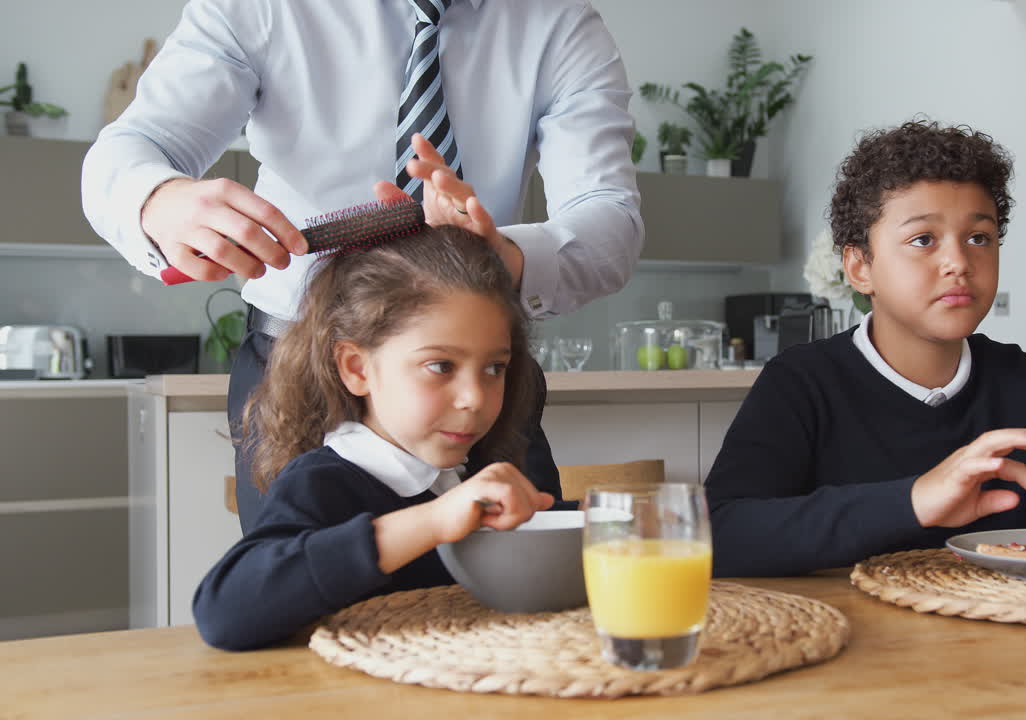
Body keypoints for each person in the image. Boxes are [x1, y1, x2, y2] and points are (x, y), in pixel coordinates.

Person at [80, 0, 644, 531]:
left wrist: (502, 255)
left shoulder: (561, 22)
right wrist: (157, 199)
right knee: (303, 607)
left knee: (521, 603)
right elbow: (135, 144)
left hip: (468, 373)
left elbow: (610, 219)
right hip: (298, 369)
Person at [704, 120, 1026, 578]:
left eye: (979, 238)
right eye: (923, 240)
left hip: (999, 655)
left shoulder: (1025, 384)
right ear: (860, 266)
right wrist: (914, 500)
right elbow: (721, 534)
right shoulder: (801, 382)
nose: (959, 262)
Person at [193, 224, 562, 650]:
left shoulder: (479, 468)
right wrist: (434, 521)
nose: (474, 398)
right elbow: (224, 613)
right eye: (441, 366)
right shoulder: (323, 482)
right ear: (356, 368)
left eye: (494, 368)